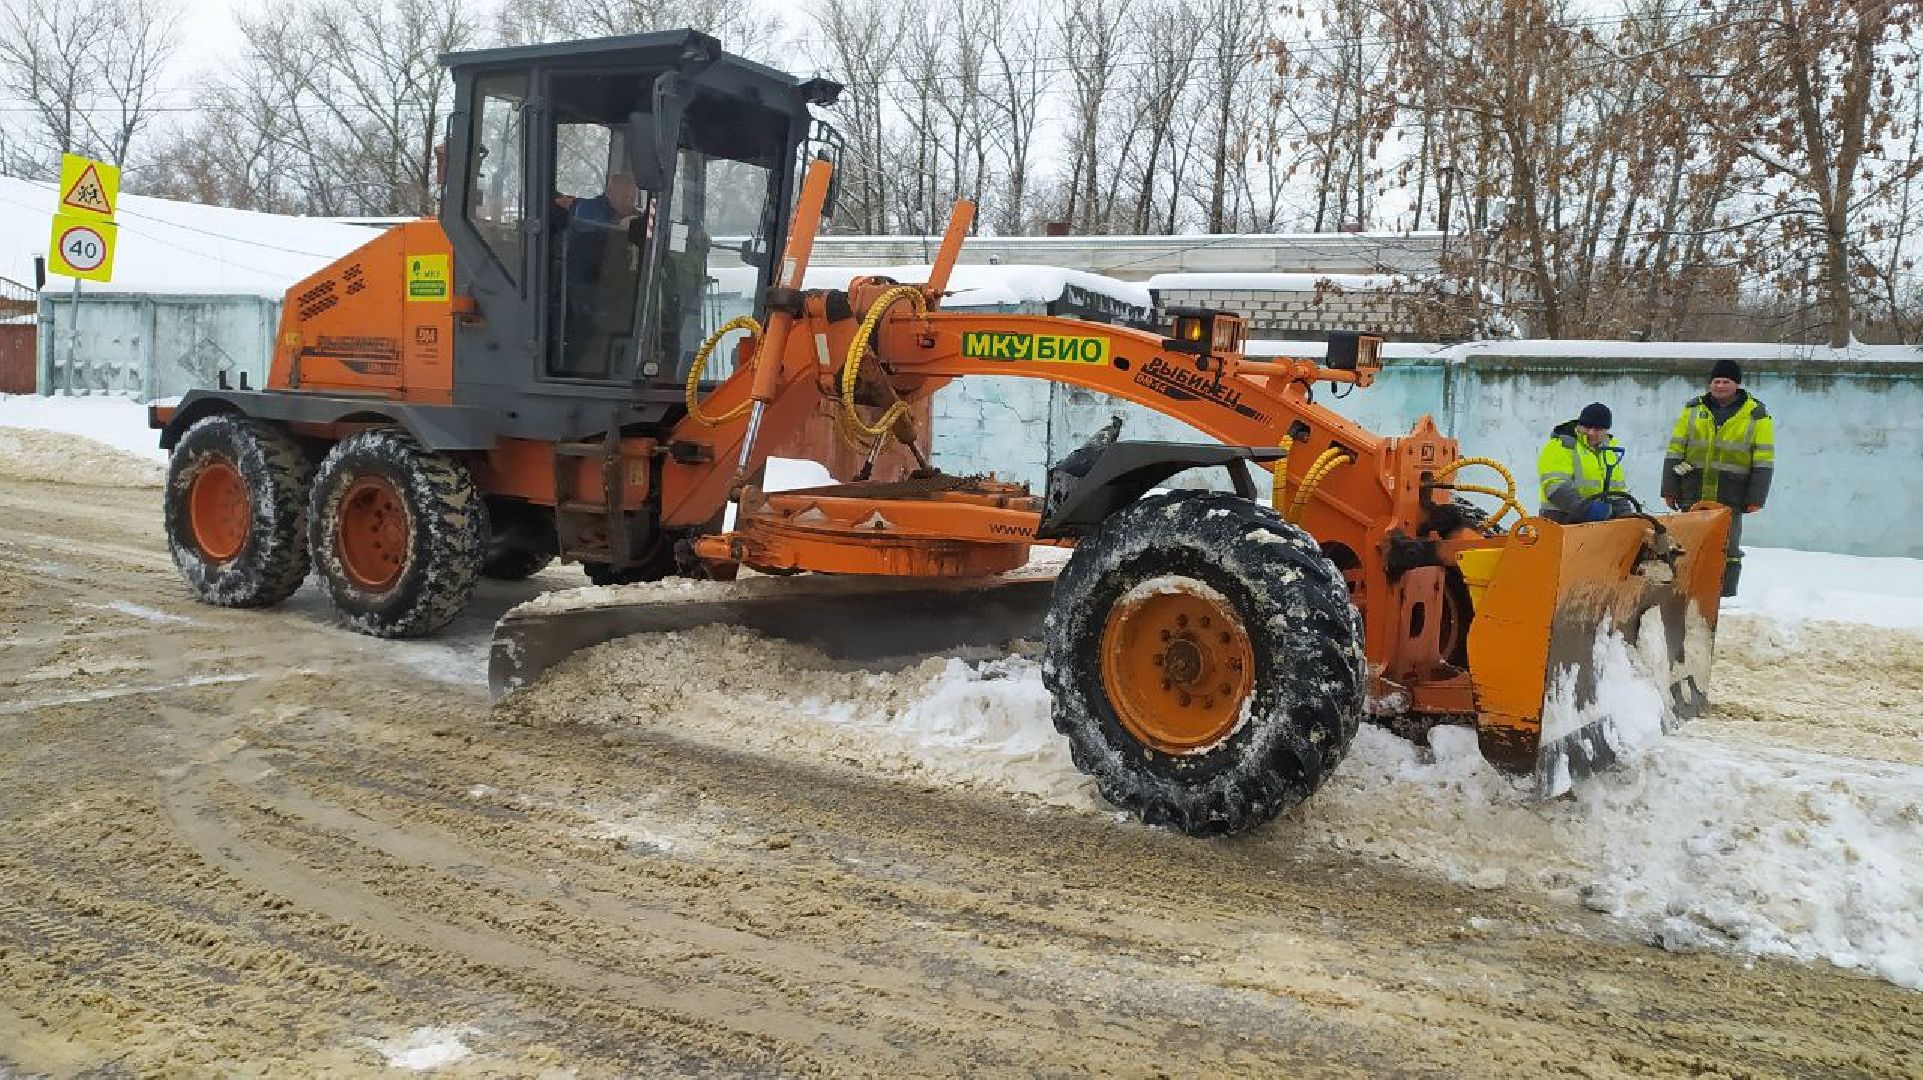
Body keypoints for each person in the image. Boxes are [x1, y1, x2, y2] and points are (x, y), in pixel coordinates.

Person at [1661, 359, 1774, 597]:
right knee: (1687, 541)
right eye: (1716, 381)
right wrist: (1670, 489)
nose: (1720, 386)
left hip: (1732, 491)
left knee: (1728, 545)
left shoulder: (1756, 415)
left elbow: (1763, 460)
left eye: (1726, 381)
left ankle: (1726, 595)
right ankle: (1685, 590)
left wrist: (1756, 497)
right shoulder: (1693, 410)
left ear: (1737, 384)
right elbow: (1675, 451)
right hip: (1693, 487)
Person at [1537, 402, 1630, 523]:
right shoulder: (1561, 445)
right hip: (1560, 521)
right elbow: (1556, 488)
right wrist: (1589, 510)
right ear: (1579, 425)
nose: (1591, 432)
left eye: (1597, 429)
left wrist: (1628, 520)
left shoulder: (1610, 451)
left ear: (1606, 430)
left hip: (1597, 525)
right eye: (1587, 427)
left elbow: (1618, 493)